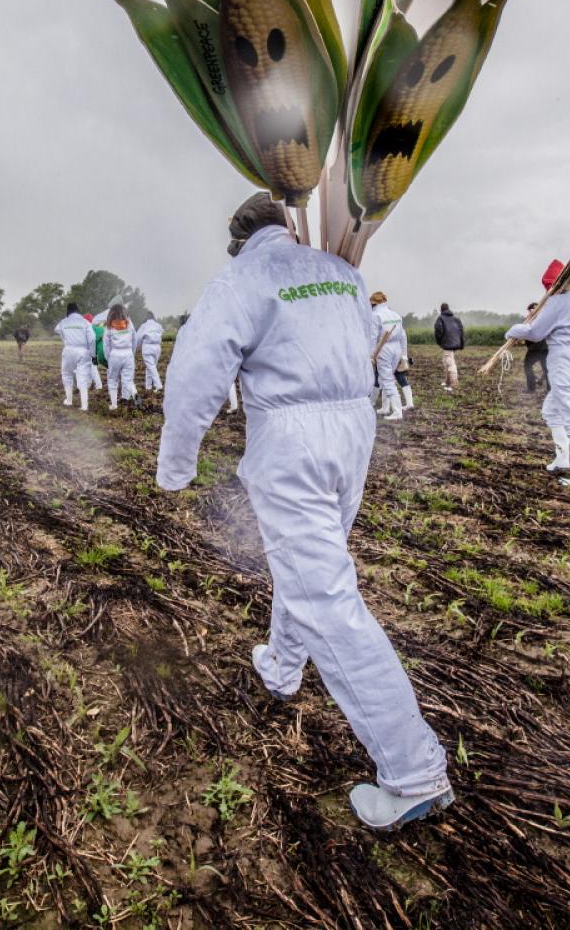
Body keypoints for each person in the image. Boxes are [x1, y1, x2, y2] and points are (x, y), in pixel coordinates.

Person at [159, 191, 451, 830]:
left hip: (291, 441)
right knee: (307, 569)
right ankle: (283, 667)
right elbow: (366, 345)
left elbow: (194, 377)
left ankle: (413, 771)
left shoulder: (241, 278)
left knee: (325, 598)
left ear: (240, 239)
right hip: (354, 433)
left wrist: (175, 468)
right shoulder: (344, 272)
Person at [506, 261, 570, 487]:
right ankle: (562, 459)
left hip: (565, 363)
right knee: (551, 410)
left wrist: (513, 330)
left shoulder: (557, 302)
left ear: (552, 286)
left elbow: (535, 332)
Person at [370, 291, 408, 420]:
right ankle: (385, 407)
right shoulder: (395, 315)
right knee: (387, 378)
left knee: (387, 380)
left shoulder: (375, 315)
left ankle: (397, 412)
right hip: (397, 348)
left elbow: (373, 337)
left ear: (373, 303)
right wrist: (404, 357)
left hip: (383, 348)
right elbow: (403, 336)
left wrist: (371, 355)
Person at [53, 303, 95, 410]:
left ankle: (69, 401)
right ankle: (84, 406)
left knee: (67, 375)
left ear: (68, 311)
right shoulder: (85, 322)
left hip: (68, 350)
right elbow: (92, 338)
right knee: (83, 377)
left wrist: (65, 336)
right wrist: (92, 353)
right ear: (78, 310)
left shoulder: (64, 322)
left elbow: (56, 329)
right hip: (83, 351)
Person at [103, 303, 137, 409]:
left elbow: (106, 344)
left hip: (115, 354)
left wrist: (108, 358)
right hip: (128, 354)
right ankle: (134, 395)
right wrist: (132, 353)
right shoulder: (129, 323)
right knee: (128, 380)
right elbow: (134, 340)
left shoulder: (109, 325)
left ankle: (114, 405)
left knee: (113, 380)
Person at [434, 303, 464, 391]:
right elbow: (461, 331)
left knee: (450, 363)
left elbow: (438, 331)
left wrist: (439, 342)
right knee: (446, 361)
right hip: (456, 343)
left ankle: (454, 384)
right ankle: (447, 382)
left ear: (441, 310)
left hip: (447, 344)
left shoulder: (440, 318)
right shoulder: (456, 319)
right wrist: (461, 344)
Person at [522, 302, 549, 393]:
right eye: (531, 310)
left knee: (527, 366)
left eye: (532, 309)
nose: (531, 311)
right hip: (544, 348)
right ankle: (549, 389)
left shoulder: (535, 320)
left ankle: (531, 388)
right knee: (546, 369)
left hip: (535, 348)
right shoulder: (539, 319)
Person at [136, 313, 164, 392]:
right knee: (150, 367)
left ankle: (158, 385)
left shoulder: (144, 326)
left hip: (147, 347)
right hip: (157, 347)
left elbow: (138, 338)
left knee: (151, 367)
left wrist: (136, 348)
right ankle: (148, 386)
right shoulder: (158, 325)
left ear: (146, 317)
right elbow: (161, 333)